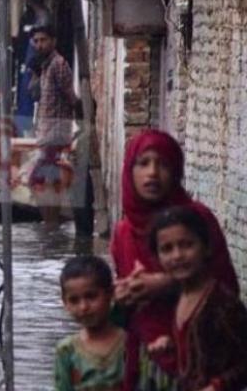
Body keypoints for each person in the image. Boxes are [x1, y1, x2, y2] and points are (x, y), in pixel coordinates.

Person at [109, 129, 239, 390]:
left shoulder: (197, 219)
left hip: (203, 363)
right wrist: (120, 300)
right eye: (143, 163)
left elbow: (227, 288)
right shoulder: (124, 232)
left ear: (177, 170)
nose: (153, 173)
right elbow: (123, 319)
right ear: (129, 170)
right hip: (146, 363)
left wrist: (165, 283)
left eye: (163, 164)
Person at [146, 206, 247, 391]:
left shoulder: (222, 304)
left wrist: (218, 386)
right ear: (157, 257)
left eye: (187, 245)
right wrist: (170, 345)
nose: (177, 256)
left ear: (206, 248)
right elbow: (201, 350)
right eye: (167, 249)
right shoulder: (179, 296)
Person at [28, 23, 80, 231]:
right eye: (36, 41)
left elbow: (70, 96)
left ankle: (51, 224)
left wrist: (80, 120)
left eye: (43, 40)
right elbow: (34, 95)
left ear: (53, 41)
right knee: (45, 179)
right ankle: (49, 224)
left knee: (43, 179)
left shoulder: (59, 64)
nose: (39, 45)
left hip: (57, 132)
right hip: (45, 132)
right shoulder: (43, 66)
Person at [55, 255, 125, 391]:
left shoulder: (130, 345)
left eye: (91, 296)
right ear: (65, 302)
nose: (83, 307)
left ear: (110, 293)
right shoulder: (67, 351)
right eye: (74, 300)